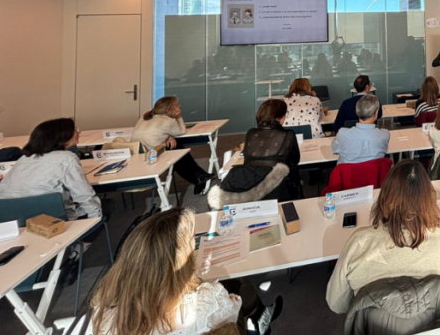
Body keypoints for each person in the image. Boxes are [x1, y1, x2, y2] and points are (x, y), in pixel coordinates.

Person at [90, 208, 276, 335]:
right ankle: (260, 317)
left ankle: (261, 313)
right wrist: (201, 280)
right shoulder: (207, 302)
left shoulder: (103, 308)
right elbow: (232, 310)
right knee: (235, 283)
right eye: (192, 243)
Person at [326, 160, 440, 314]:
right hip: (426, 325)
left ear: (384, 195)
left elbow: (336, 304)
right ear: (428, 199)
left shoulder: (360, 241)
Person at [0, 118, 102, 220]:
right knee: (106, 205)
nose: (78, 132)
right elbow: (84, 195)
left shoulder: (25, 158)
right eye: (75, 130)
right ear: (62, 136)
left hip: (10, 218)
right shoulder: (67, 158)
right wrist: (94, 220)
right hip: (52, 219)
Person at [215, 99, 301, 204]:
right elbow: (295, 160)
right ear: (280, 117)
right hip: (278, 185)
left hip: (250, 184)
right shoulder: (288, 134)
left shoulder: (251, 133)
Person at [131, 96, 214, 195]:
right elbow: (181, 131)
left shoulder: (145, 116)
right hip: (153, 155)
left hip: (136, 153)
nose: (179, 106)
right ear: (170, 109)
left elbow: (159, 131)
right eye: (177, 105)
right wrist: (178, 116)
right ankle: (199, 176)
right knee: (177, 150)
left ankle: (199, 177)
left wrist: (168, 135)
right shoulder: (168, 121)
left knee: (176, 150)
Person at [332, 95, 390, 165]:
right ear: (376, 113)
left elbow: (335, 149)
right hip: (373, 175)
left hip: (348, 175)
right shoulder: (385, 135)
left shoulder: (342, 133)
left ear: (356, 111)